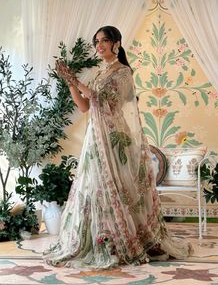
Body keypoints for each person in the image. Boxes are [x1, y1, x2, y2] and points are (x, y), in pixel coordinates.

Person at [43, 26, 193, 269]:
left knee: (119, 185)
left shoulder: (123, 73)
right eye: (96, 42)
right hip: (95, 138)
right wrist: (71, 84)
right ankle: (100, 238)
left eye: (104, 40)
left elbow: (104, 102)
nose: (99, 45)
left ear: (117, 43)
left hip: (114, 137)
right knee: (95, 186)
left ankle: (125, 237)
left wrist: (77, 80)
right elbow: (84, 106)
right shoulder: (99, 74)